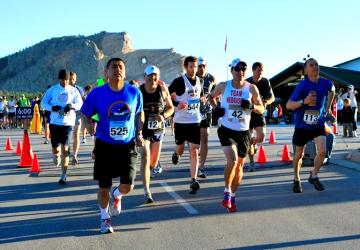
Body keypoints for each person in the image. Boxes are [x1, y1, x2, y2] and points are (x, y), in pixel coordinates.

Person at [81, 58, 144, 234]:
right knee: (103, 189)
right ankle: (104, 218)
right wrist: (88, 125)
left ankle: (117, 195)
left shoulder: (134, 92)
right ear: (106, 72)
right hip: (104, 146)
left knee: (128, 186)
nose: (117, 69)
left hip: (127, 145)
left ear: (125, 71)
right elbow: (85, 113)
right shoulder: (97, 93)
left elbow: (140, 114)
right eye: (114, 67)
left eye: (121, 67)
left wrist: (139, 133)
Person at [209, 58, 264, 212]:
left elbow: (261, 108)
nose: (240, 72)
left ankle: (233, 195)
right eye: (237, 69)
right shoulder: (223, 86)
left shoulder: (251, 88)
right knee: (232, 160)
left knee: (239, 167)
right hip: (227, 129)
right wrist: (216, 108)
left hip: (244, 132)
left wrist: (252, 106)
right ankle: (226, 191)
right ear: (232, 70)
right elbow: (210, 97)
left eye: (243, 69)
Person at [286, 58, 335, 193]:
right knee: (298, 155)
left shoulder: (325, 83)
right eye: (311, 65)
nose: (315, 67)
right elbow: (289, 105)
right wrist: (304, 101)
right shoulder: (302, 86)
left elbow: (333, 89)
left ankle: (313, 175)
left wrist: (328, 107)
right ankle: (296, 178)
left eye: (316, 64)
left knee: (323, 152)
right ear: (306, 70)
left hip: (317, 123)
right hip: (302, 125)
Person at [168, 56, 204, 194]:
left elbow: (196, 96)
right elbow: (167, 96)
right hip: (181, 122)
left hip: (195, 121)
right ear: (185, 67)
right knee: (181, 149)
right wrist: (177, 104)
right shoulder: (179, 81)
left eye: (196, 66)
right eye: (191, 67)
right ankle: (176, 153)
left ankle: (193, 180)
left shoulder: (199, 81)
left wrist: (201, 99)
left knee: (194, 151)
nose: (194, 69)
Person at [41, 69, 83, 184]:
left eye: (66, 79)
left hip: (68, 124)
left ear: (69, 79)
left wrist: (72, 106)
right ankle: (56, 154)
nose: (64, 82)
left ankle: (64, 175)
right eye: (62, 79)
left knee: (65, 148)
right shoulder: (52, 90)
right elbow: (43, 103)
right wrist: (51, 107)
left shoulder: (74, 91)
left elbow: (80, 104)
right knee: (56, 148)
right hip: (55, 123)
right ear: (58, 79)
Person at [139, 65, 174, 203]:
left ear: (158, 77)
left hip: (158, 130)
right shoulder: (139, 91)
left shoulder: (163, 90)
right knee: (145, 157)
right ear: (145, 77)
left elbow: (171, 108)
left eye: (155, 76)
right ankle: (147, 191)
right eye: (149, 76)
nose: (152, 79)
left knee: (152, 163)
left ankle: (151, 169)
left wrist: (163, 115)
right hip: (144, 129)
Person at [246, 62, 275, 171]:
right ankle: (252, 162)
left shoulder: (265, 81)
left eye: (262, 70)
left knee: (261, 137)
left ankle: (254, 142)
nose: (261, 72)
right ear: (253, 70)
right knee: (248, 140)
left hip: (259, 112)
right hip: (248, 114)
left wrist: (266, 101)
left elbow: (272, 97)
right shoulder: (247, 82)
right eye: (259, 70)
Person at [196, 56, 216, 178]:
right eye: (199, 66)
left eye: (203, 66)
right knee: (195, 141)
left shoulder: (211, 78)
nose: (201, 68)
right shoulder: (192, 78)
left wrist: (211, 101)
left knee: (205, 137)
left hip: (206, 111)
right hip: (193, 112)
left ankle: (201, 167)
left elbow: (215, 94)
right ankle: (195, 161)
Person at [68, 71, 85, 165]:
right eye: (70, 79)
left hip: (77, 114)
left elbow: (83, 102)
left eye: (73, 79)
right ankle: (67, 150)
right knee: (68, 135)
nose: (71, 81)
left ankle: (74, 155)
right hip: (66, 116)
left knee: (76, 134)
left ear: (75, 79)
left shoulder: (79, 89)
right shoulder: (63, 89)